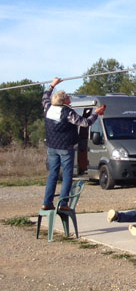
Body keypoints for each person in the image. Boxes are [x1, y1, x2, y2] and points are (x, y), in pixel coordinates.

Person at [41, 77, 106, 211]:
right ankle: (63, 204)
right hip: (66, 148)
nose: (69, 98)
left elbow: (45, 96)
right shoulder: (67, 112)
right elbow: (85, 123)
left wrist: (52, 84)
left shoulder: (48, 108)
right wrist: (96, 113)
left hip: (52, 147)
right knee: (67, 175)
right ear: (64, 101)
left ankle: (47, 202)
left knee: (53, 174)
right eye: (67, 97)